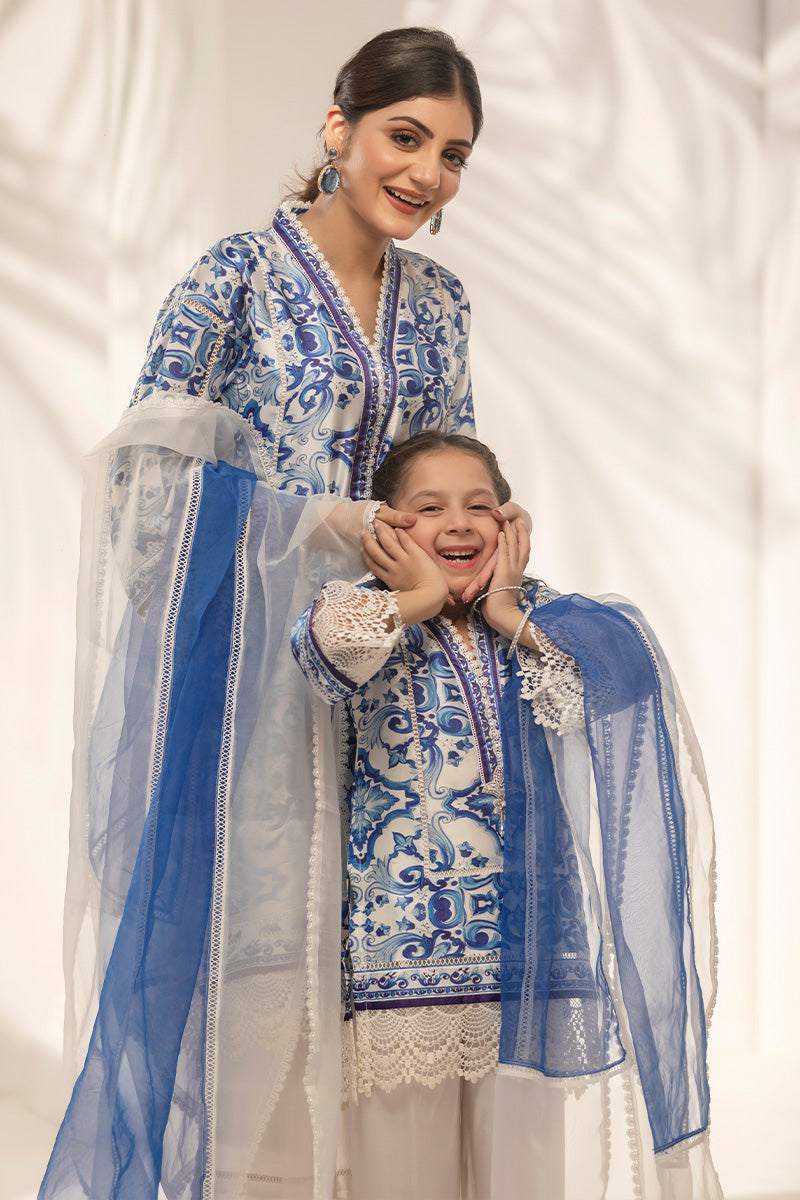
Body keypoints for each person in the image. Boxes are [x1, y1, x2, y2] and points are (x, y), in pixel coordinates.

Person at [40, 27, 530, 1200]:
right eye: (404, 137)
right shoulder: (235, 278)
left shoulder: (441, 303)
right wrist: (312, 522)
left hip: (397, 673)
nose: (424, 174)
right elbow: (144, 482)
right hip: (253, 666)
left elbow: (437, 470)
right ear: (338, 129)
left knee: (379, 970)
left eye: (452, 155)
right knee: (260, 961)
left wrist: (482, 534)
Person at [291, 432, 722, 1199]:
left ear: (512, 524)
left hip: (529, 967)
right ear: (387, 527)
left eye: (479, 507)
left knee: (524, 1180)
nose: (458, 524)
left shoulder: (543, 619)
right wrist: (418, 597)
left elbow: (620, 686)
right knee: (404, 1183)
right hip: (403, 970)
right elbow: (325, 653)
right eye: (429, 509)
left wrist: (503, 608)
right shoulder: (361, 607)